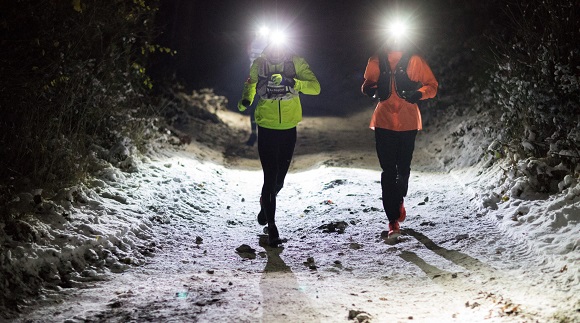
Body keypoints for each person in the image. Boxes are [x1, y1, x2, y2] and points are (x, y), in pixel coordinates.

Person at [238, 41, 321, 246]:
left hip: (288, 129)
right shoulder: (259, 63)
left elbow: (316, 88)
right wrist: (246, 100)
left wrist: (294, 83)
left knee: (279, 181)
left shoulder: (297, 63)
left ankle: (265, 207)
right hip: (266, 126)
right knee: (270, 176)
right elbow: (250, 84)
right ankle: (272, 227)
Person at [361, 26, 438, 239]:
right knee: (388, 171)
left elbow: (432, 86)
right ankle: (392, 220)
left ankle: (399, 198)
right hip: (383, 122)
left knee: (402, 169)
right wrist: (369, 89)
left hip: (408, 122)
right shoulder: (376, 60)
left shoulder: (415, 60)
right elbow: (368, 83)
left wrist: (419, 94)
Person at [244, 27, 271, 146]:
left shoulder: (272, 44)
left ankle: (267, 135)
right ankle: (254, 134)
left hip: (269, 80)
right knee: (254, 107)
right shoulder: (252, 43)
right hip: (254, 79)